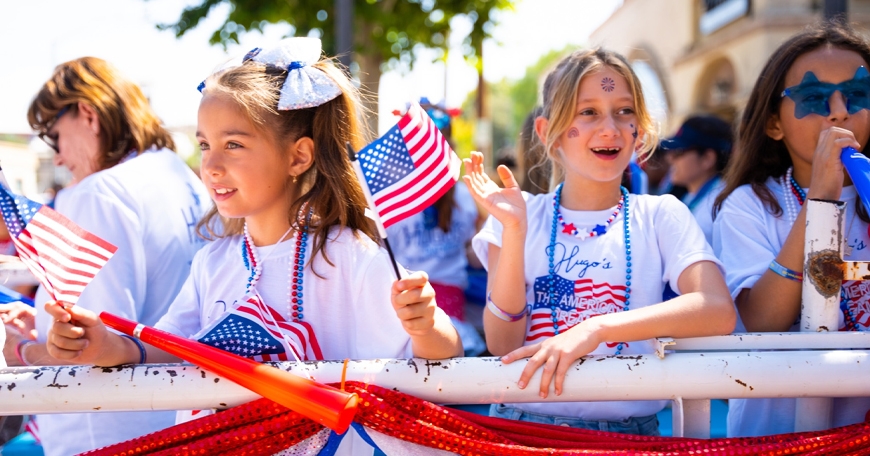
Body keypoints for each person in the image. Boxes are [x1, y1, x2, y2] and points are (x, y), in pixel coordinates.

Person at [44, 38, 461, 455]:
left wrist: (425, 326)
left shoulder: (350, 256)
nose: (211, 165)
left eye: (234, 145)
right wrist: (107, 345)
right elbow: (169, 345)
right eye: (205, 145)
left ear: (298, 157)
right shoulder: (213, 261)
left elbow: (444, 358)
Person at [464, 47, 736, 436]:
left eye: (624, 111)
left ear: (639, 128)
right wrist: (514, 231)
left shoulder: (660, 215)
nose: (610, 128)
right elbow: (503, 343)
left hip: (629, 436)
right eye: (588, 112)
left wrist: (598, 329)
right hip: (524, 433)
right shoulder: (519, 216)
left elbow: (717, 309)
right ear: (548, 132)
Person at [0, 56, 210, 456]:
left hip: (108, 431)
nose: (57, 157)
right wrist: (42, 324)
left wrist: (18, 350)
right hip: (178, 417)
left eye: (54, 136)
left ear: (87, 114)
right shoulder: (178, 174)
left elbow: (93, 350)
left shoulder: (99, 193)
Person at [712, 21, 870, 437]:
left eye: (858, 94)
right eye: (814, 98)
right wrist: (820, 199)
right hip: (776, 435)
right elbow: (762, 320)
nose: (840, 110)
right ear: (773, 125)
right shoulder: (749, 205)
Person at [661, 114, 733, 244]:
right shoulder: (693, 196)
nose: (669, 158)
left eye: (678, 152)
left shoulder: (723, 206)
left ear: (707, 159)